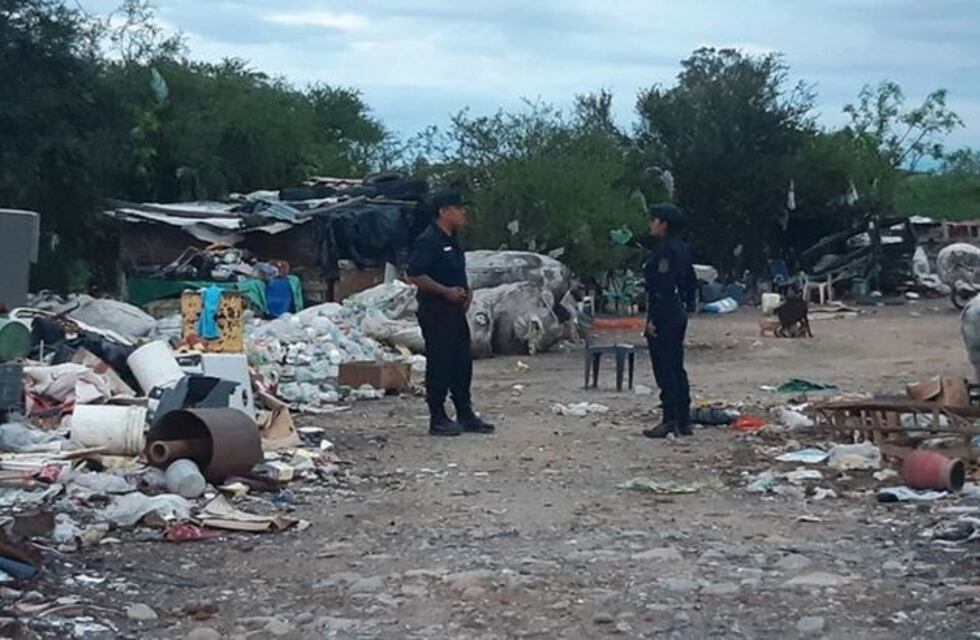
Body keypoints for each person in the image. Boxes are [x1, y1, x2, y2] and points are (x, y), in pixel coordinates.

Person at [406, 190, 495, 437]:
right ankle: (438, 417)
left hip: (456, 311)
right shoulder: (429, 240)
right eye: (458, 208)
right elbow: (414, 274)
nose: (463, 212)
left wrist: (467, 293)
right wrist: (445, 292)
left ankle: (465, 412)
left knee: (461, 363)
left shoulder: (453, 239)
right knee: (440, 362)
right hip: (436, 311)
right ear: (443, 211)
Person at [642, 203, 697, 439]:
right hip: (678, 310)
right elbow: (690, 281)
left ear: (663, 223)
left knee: (664, 366)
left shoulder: (665, 251)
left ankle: (669, 419)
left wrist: (653, 318)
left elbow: (662, 287)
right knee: (676, 365)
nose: (651, 224)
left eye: (654, 220)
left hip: (665, 310)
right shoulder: (682, 249)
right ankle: (683, 420)